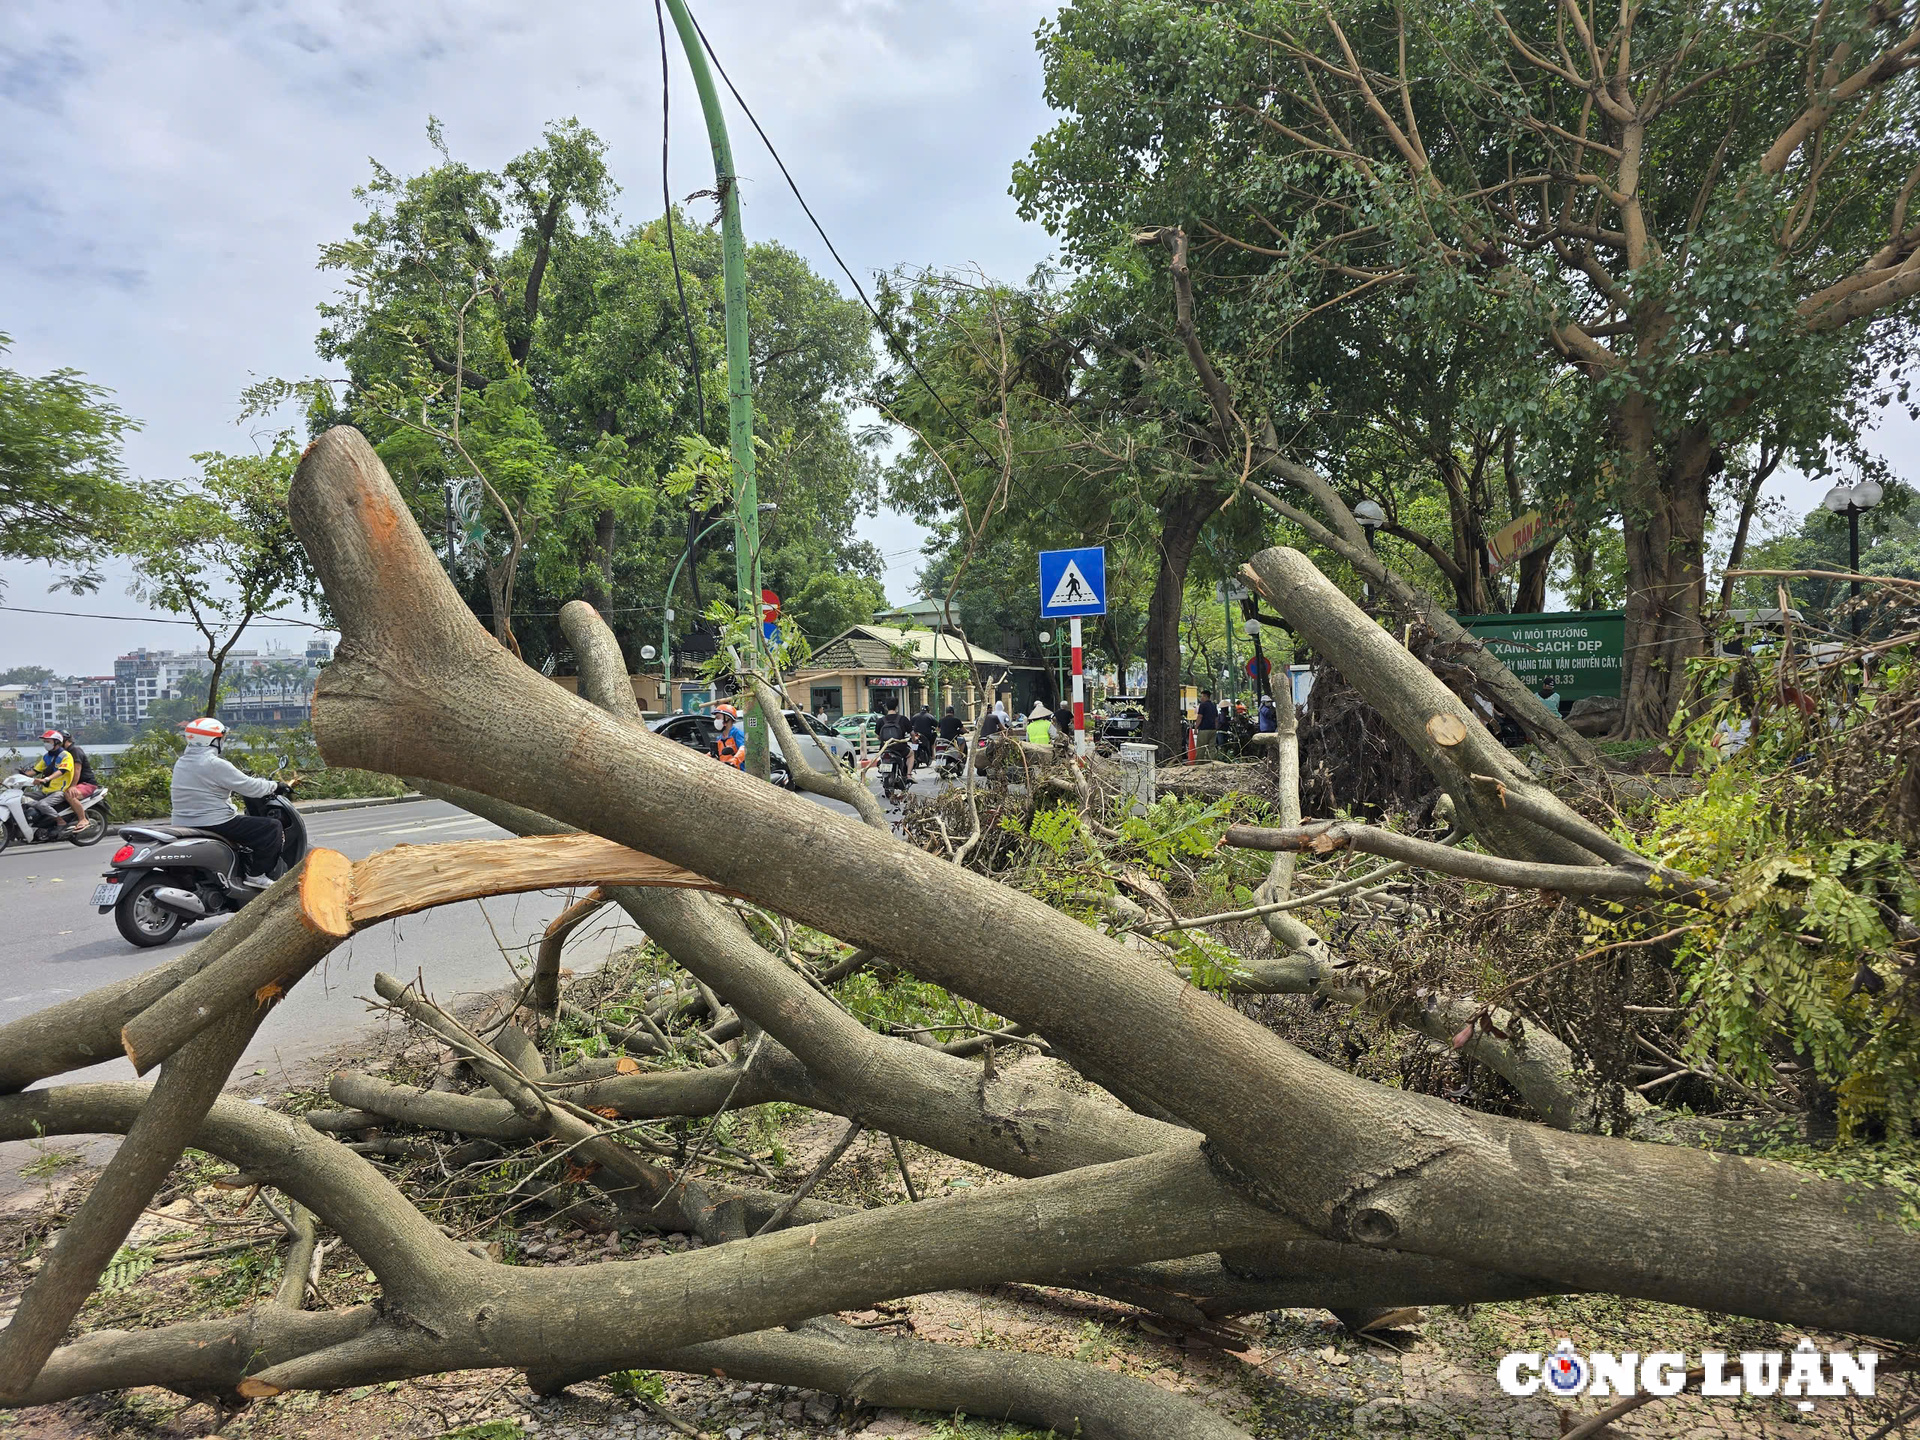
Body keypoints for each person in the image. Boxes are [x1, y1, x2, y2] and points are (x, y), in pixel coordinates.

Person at [170, 717, 288, 886]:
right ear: (213, 740)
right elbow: (250, 787)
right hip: (213, 821)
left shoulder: (182, 762)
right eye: (221, 738)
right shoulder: (214, 764)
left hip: (181, 822)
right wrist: (275, 786)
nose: (222, 742)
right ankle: (256, 875)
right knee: (271, 828)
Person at [18, 730, 79, 833]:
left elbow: (61, 771)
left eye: (48, 741)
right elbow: (35, 771)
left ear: (56, 742)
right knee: (21, 798)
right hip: (46, 790)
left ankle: (60, 821)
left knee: (42, 804)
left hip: (60, 791)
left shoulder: (66, 755)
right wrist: (18, 777)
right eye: (45, 741)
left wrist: (46, 779)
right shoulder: (47, 756)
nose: (46, 744)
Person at [58, 729, 99, 830]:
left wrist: (72, 786)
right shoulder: (63, 754)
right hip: (75, 784)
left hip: (87, 784)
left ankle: (83, 819)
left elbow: (77, 770)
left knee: (69, 794)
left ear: (65, 740)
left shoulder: (75, 751)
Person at [712, 702, 747, 769]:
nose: (716, 720)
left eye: (718, 717)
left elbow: (743, 749)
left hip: (738, 773)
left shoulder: (737, 734)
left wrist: (734, 761)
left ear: (727, 718)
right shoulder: (719, 738)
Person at [910, 704, 936, 768]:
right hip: (926, 735)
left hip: (916, 735)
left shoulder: (915, 716)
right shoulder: (930, 716)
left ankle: (912, 756)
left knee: (913, 743)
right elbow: (936, 724)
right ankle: (933, 755)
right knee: (933, 741)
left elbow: (910, 725)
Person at [1196, 689, 1219, 760]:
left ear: (1205, 696)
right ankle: (1212, 762)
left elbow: (1200, 717)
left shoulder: (1202, 705)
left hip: (1204, 729)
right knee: (1212, 747)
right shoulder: (1213, 705)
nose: (1201, 698)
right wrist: (1216, 727)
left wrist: (1196, 727)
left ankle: (1199, 763)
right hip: (1212, 729)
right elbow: (1216, 718)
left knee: (1201, 748)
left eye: (1202, 696)